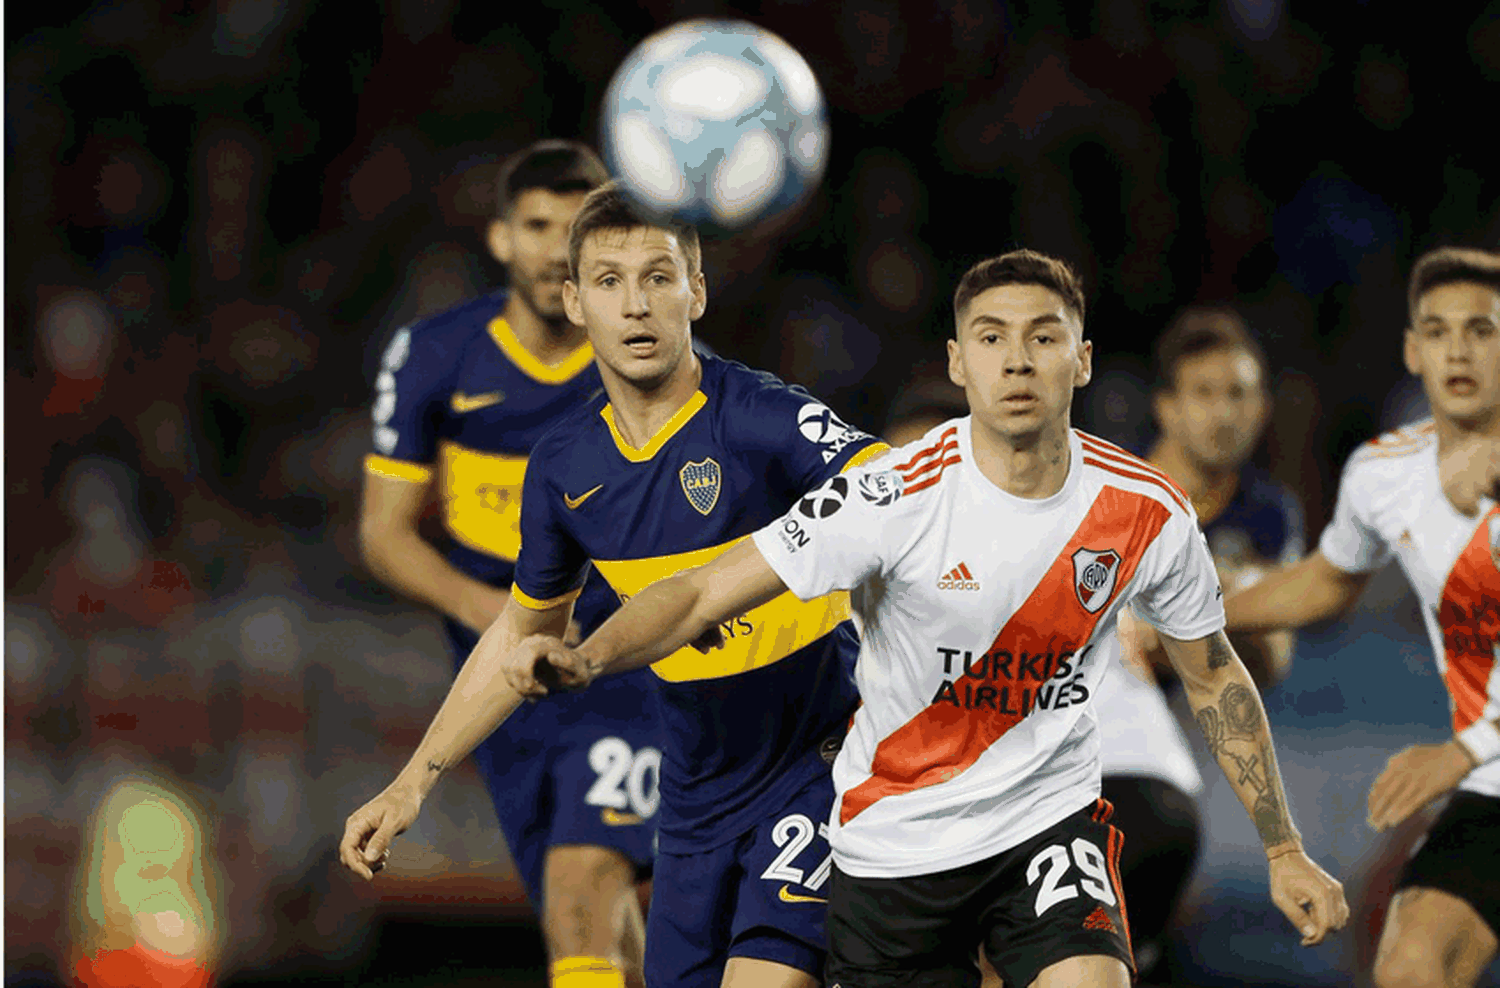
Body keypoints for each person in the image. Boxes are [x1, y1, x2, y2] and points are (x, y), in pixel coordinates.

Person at [497, 248, 1350, 988]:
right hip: (897, 847)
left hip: (1046, 827)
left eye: (1042, 338)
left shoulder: (1148, 511)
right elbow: (703, 590)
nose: (1017, 362)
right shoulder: (890, 492)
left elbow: (1214, 673)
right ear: (958, 363)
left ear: (1082, 362)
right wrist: (588, 654)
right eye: (992, 339)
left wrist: (1283, 848)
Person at [342, 181, 891, 988]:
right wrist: (411, 782)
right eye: (609, 281)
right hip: (696, 802)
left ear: (696, 292)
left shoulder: (762, 416)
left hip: (821, 766)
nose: (636, 305)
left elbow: (892, 482)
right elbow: (521, 634)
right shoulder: (566, 468)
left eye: (659, 277)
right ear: (573, 301)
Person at [355, 143, 663, 988]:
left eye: (577, 227)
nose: (555, 246)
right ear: (500, 239)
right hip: (497, 674)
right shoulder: (436, 354)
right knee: (596, 926)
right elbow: (384, 534)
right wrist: (494, 610)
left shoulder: (645, 356)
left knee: (580, 887)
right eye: (537, 225)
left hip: (619, 662)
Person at [1223, 246, 1500, 988]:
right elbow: (1325, 583)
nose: (1459, 350)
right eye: (1438, 331)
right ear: (1413, 349)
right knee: (1410, 963)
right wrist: (1193, 608)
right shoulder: (1385, 474)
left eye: (1482, 329)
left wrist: (1465, 749)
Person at [1099, 305, 1310, 981]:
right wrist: (1233, 597)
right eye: (1205, 394)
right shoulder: (1111, 493)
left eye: (1240, 394)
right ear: (1166, 405)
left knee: (1156, 924)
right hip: (1098, 736)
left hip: (1195, 738)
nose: (1224, 413)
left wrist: (1181, 610)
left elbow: (1274, 657)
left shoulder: (1268, 512)